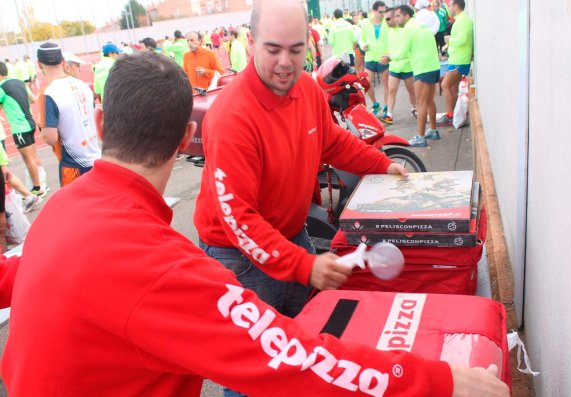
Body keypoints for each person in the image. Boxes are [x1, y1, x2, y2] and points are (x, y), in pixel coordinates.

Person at [1, 48, 509, 397]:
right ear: (185, 140)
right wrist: (442, 381)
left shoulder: (60, 211)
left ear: (102, 125)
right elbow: (287, 355)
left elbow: (13, 273)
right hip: (250, 259)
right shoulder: (156, 265)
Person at [37, 42, 100, 186]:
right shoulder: (83, 85)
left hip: (73, 166)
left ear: (40, 64)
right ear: (63, 61)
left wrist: (42, 127)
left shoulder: (48, 94)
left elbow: (50, 138)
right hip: (96, 158)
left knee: (78, 207)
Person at [382, 5, 441, 147]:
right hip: (433, 67)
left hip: (422, 69)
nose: (395, 19)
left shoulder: (409, 28)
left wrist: (390, 57)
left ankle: (420, 137)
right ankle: (433, 130)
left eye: (398, 16)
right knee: (429, 101)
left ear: (406, 16)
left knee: (421, 103)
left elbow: (402, 52)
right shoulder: (422, 25)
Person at [0, 61, 46, 197]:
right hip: (30, 122)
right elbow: (33, 99)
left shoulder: (1, 87)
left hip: (20, 127)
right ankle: (42, 184)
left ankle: (37, 188)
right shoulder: (19, 82)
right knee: (34, 156)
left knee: (28, 159)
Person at [437, 0, 474, 126]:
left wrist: (449, 40)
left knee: (445, 85)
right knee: (451, 87)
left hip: (460, 60)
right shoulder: (461, 19)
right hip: (457, 59)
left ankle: (450, 115)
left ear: (456, 6)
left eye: (450, 6)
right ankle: (452, 114)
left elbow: (462, 40)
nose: (449, 8)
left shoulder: (463, 20)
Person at [381, 8, 417, 124]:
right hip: (394, 66)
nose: (386, 21)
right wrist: (387, 55)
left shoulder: (405, 30)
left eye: (388, 19)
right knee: (391, 90)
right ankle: (389, 115)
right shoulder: (389, 31)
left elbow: (406, 50)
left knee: (411, 90)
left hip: (407, 65)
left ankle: (414, 109)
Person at [359, 1, 390, 116]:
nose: (383, 14)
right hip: (370, 57)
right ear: (374, 11)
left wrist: (390, 54)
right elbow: (361, 39)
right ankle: (375, 104)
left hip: (383, 57)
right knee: (366, 83)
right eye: (380, 12)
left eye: (384, 12)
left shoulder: (387, 23)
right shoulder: (366, 23)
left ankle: (387, 107)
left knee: (386, 83)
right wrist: (363, 46)